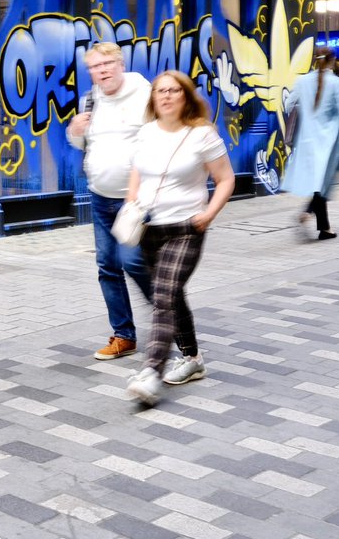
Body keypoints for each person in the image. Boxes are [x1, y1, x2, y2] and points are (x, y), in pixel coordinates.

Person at [124, 71, 235, 407]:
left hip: (187, 229)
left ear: (185, 96)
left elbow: (226, 178)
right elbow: (137, 171)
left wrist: (208, 214)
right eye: (160, 91)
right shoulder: (145, 133)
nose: (167, 96)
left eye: (174, 90)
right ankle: (193, 359)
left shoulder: (202, 135)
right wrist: (131, 201)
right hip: (150, 229)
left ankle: (150, 372)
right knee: (172, 295)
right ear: (153, 98)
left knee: (162, 296)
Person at [66, 42, 153, 361]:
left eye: (107, 64)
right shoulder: (91, 98)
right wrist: (74, 131)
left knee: (132, 261)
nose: (102, 71)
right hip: (100, 197)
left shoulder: (144, 94)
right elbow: (80, 143)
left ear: (120, 63)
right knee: (107, 266)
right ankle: (124, 335)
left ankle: (167, 313)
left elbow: (158, 140)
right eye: (95, 66)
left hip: (136, 199)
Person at [282, 47, 339, 240]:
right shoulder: (338, 84)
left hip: (306, 140)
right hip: (328, 142)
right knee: (323, 183)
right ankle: (308, 214)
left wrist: (307, 107)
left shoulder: (302, 81)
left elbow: (288, 105)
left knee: (318, 183)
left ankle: (324, 228)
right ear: (333, 61)